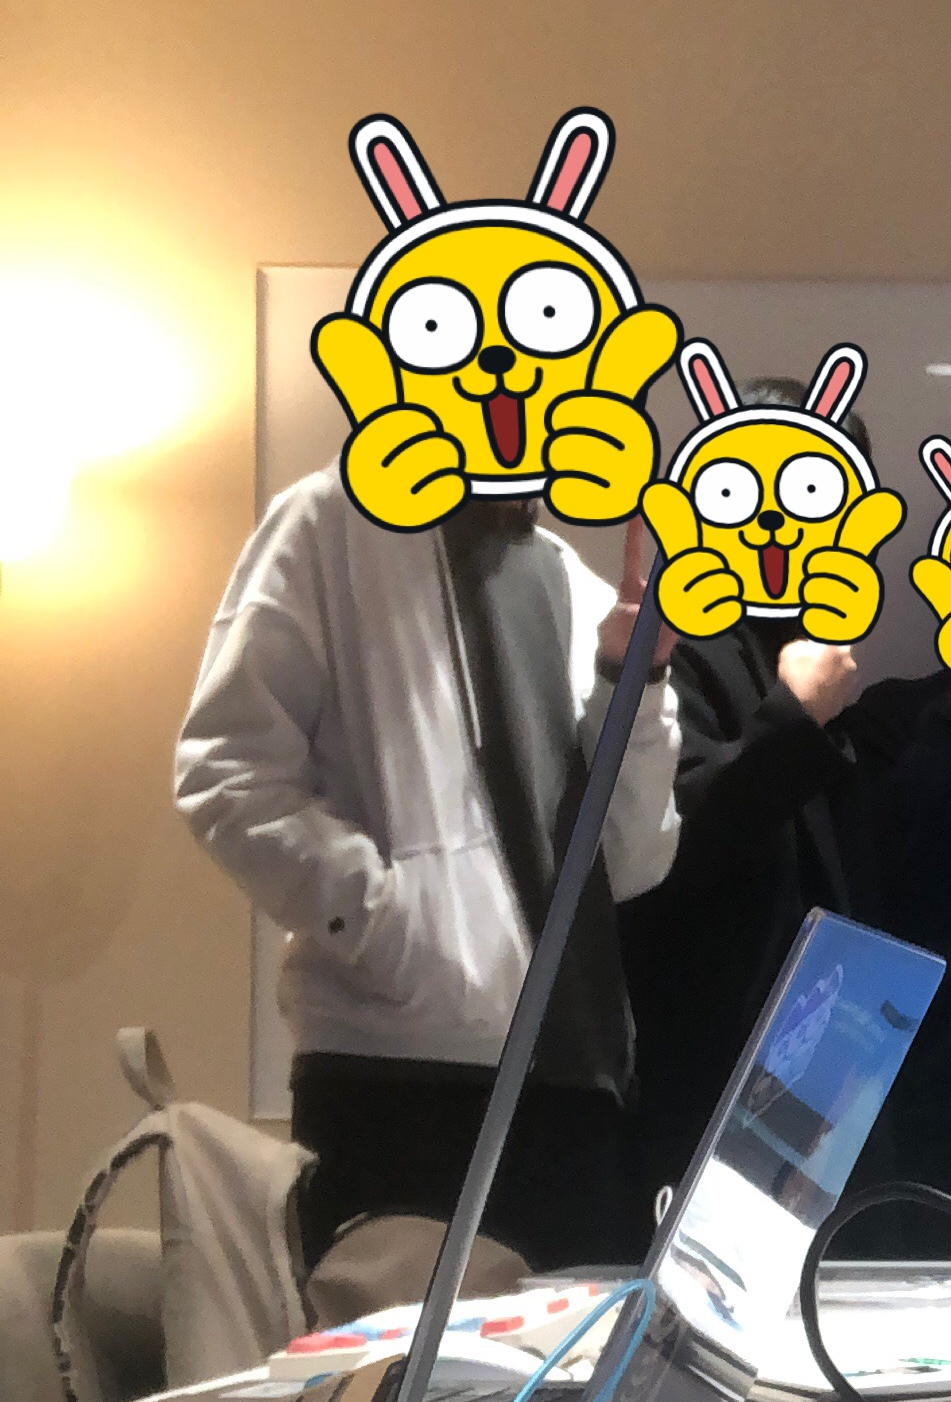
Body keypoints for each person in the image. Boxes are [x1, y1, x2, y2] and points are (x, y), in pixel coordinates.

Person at [176, 471, 680, 1272]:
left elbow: (632, 858)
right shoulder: (331, 522)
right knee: (394, 1354)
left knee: (574, 1356)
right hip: (400, 1081)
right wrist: (389, 926)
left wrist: (637, 682)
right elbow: (227, 773)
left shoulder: (570, 581)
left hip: (581, 1087)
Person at [623, 423, 951, 1244]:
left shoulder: (841, 683)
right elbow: (654, 858)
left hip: (865, 1087)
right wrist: (799, 718)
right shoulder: (709, 656)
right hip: (746, 1088)